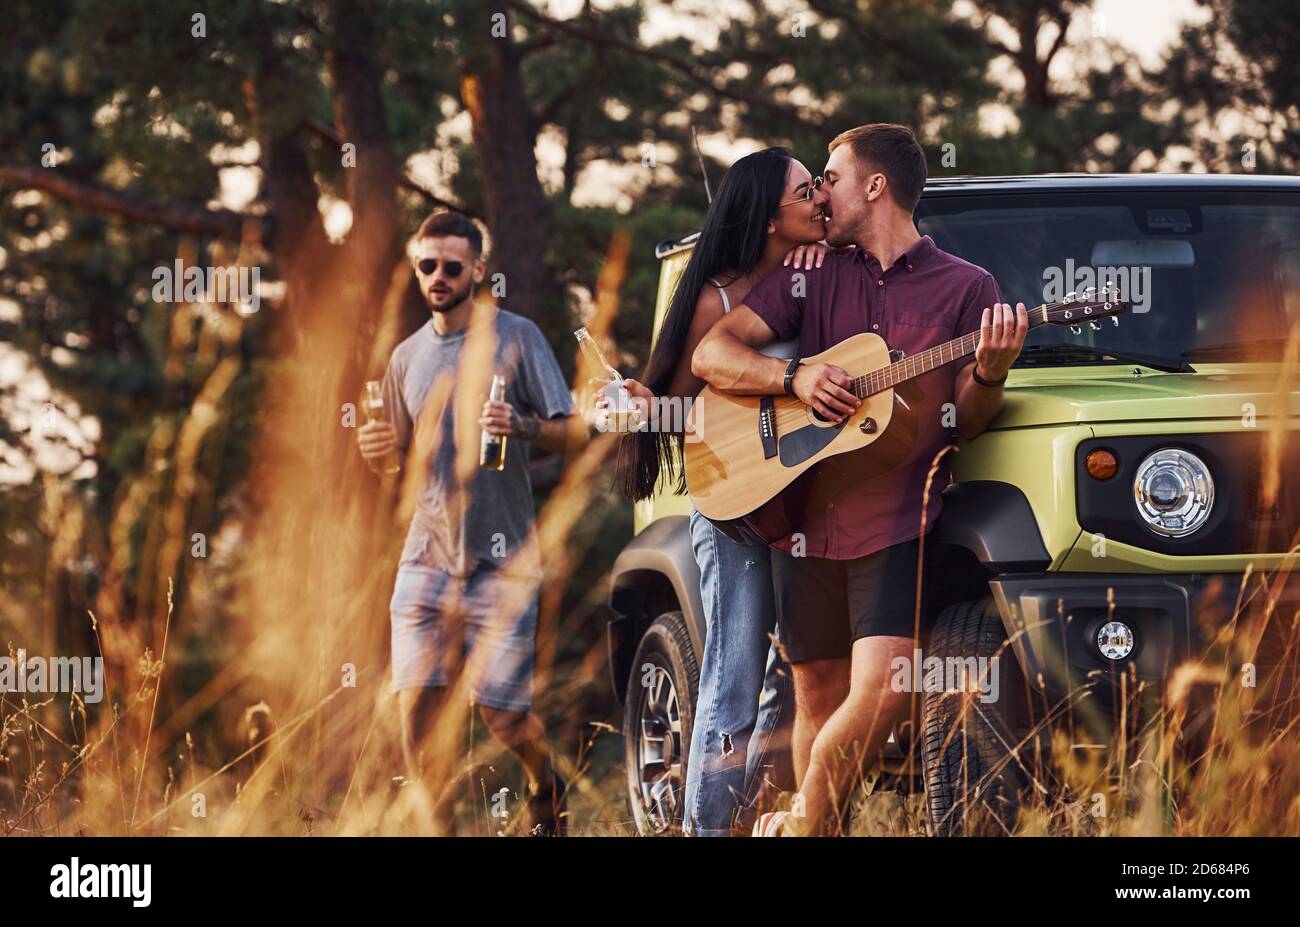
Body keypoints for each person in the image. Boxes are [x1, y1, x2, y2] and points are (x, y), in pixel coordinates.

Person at [692, 124, 1028, 836]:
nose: (821, 193)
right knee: (817, 695)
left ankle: (803, 820)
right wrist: (795, 375)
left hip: (899, 515)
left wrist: (992, 372)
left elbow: (967, 420)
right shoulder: (810, 271)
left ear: (875, 186)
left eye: (832, 177)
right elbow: (713, 355)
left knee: (883, 693)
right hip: (804, 515)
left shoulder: (970, 287)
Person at [607, 147, 831, 835]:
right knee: (731, 676)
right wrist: (637, 402)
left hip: (806, 505)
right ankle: (707, 826)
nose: (821, 196)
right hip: (734, 506)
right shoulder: (717, 296)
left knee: (794, 671)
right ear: (769, 219)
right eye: (806, 190)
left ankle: (754, 810)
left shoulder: (819, 271)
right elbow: (681, 411)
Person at [357, 210, 585, 835]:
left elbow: (573, 430)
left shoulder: (517, 337)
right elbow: (399, 472)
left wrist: (526, 426)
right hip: (425, 558)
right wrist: (378, 454)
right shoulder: (405, 358)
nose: (436, 276)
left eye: (451, 266)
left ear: (478, 271)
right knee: (415, 722)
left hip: (504, 561)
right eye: (426, 265)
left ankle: (546, 783)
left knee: (502, 719)